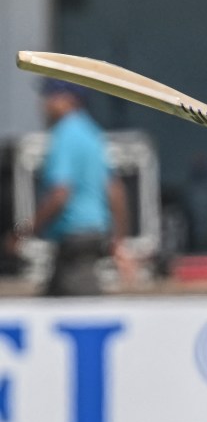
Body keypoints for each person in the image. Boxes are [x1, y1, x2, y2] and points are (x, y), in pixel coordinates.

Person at [6, 78, 131, 296]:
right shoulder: (92, 132)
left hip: (75, 240)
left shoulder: (65, 135)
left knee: (78, 309)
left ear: (68, 100)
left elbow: (59, 194)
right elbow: (115, 189)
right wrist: (119, 241)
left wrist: (23, 232)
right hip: (93, 237)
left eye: (50, 96)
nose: (44, 103)